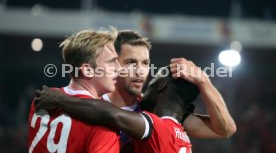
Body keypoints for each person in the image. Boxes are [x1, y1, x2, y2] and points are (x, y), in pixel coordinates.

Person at [28, 28, 152, 153]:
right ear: (87, 70)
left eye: (146, 63)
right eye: (112, 61)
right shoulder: (103, 123)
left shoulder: (42, 100)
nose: (118, 68)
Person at [35, 66, 200, 153]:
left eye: (154, 79)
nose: (146, 85)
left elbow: (111, 114)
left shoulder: (159, 127)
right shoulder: (182, 136)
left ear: (161, 84)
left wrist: (58, 99)